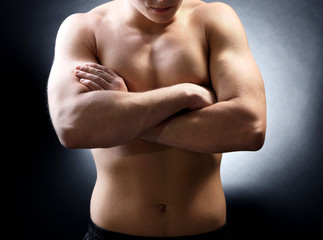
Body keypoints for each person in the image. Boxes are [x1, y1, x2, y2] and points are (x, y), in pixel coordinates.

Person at [47, 0, 266, 239]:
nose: (162, 0)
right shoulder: (85, 29)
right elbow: (72, 127)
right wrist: (185, 94)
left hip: (206, 232)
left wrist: (122, 112)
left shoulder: (213, 20)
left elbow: (249, 127)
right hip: (113, 233)